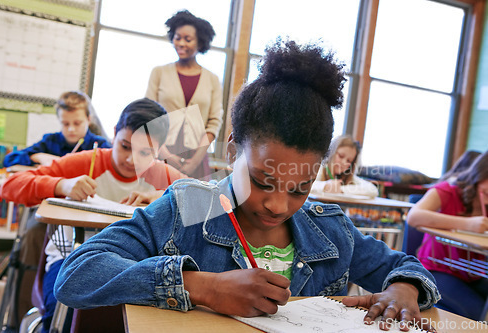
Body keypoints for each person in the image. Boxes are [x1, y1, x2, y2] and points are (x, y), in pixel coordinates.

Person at [56, 39, 439, 330]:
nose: (277, 204)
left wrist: (403, 289)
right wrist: (202, 286)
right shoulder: (189, 209)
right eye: (262, 181)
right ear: (234, 151)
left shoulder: (330, 230)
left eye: (298, 188)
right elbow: (77, 273)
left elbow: (405, 265)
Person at [0, 98, 187, 333]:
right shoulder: (87, 161)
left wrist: (167, 196)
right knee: (66, 314)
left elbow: (211, 202)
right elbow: (10, 185)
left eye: (145, 152)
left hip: (132, 268)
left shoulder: (163, 175)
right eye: (125, 146)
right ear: (114, 134)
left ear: (160, 149)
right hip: (70, 260)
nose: (131, 160)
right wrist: (62, 185)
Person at [407, 150, 488, 320]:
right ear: (479, 175)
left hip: (471, 273)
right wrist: (468, 224)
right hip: (435, 268)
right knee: (478, 313)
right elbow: (413, 217)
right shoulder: (448, 190)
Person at [145, 9, 223, 180]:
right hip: (161, 153)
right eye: (177, 37)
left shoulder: (212, 79)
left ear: (200, 43)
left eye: (188, 39)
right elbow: (149, 117)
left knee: (195, 204)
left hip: (197, 157)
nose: (181, 43)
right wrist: (166, 154)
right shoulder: (159, 72)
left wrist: (195, 161)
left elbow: (214, 122)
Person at [3, 91, 111, 167]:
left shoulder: (101, 145)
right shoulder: (51, 141)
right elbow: (9, 159)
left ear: (88, 119)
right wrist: (38, 157)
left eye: (77, 123)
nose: (71, 129)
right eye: (65, 124)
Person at [311, 135, 379, 198]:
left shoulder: (348, 177)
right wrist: (325, 186)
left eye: (349, 161)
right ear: (331, 152)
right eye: (341, 156)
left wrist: (340, 189)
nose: (344, 163)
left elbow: (373, 190)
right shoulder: (319, 169)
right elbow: (304, 186)